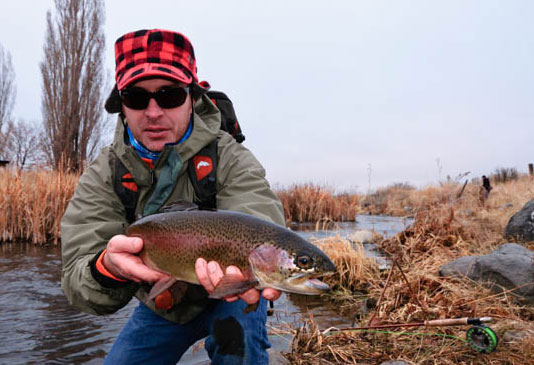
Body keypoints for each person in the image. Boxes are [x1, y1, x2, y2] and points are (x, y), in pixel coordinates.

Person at [61, 29, 285, 364]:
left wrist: (258, 268)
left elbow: (259, 219)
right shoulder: (104, 173)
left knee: (241, 343)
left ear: (192, 98)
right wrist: (107, 267)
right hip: (162, 307)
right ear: (122, 106)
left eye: (169, 96)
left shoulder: (231, 158)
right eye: (137, 98)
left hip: (232, 295)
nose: (153, 112)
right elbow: (78, 277)